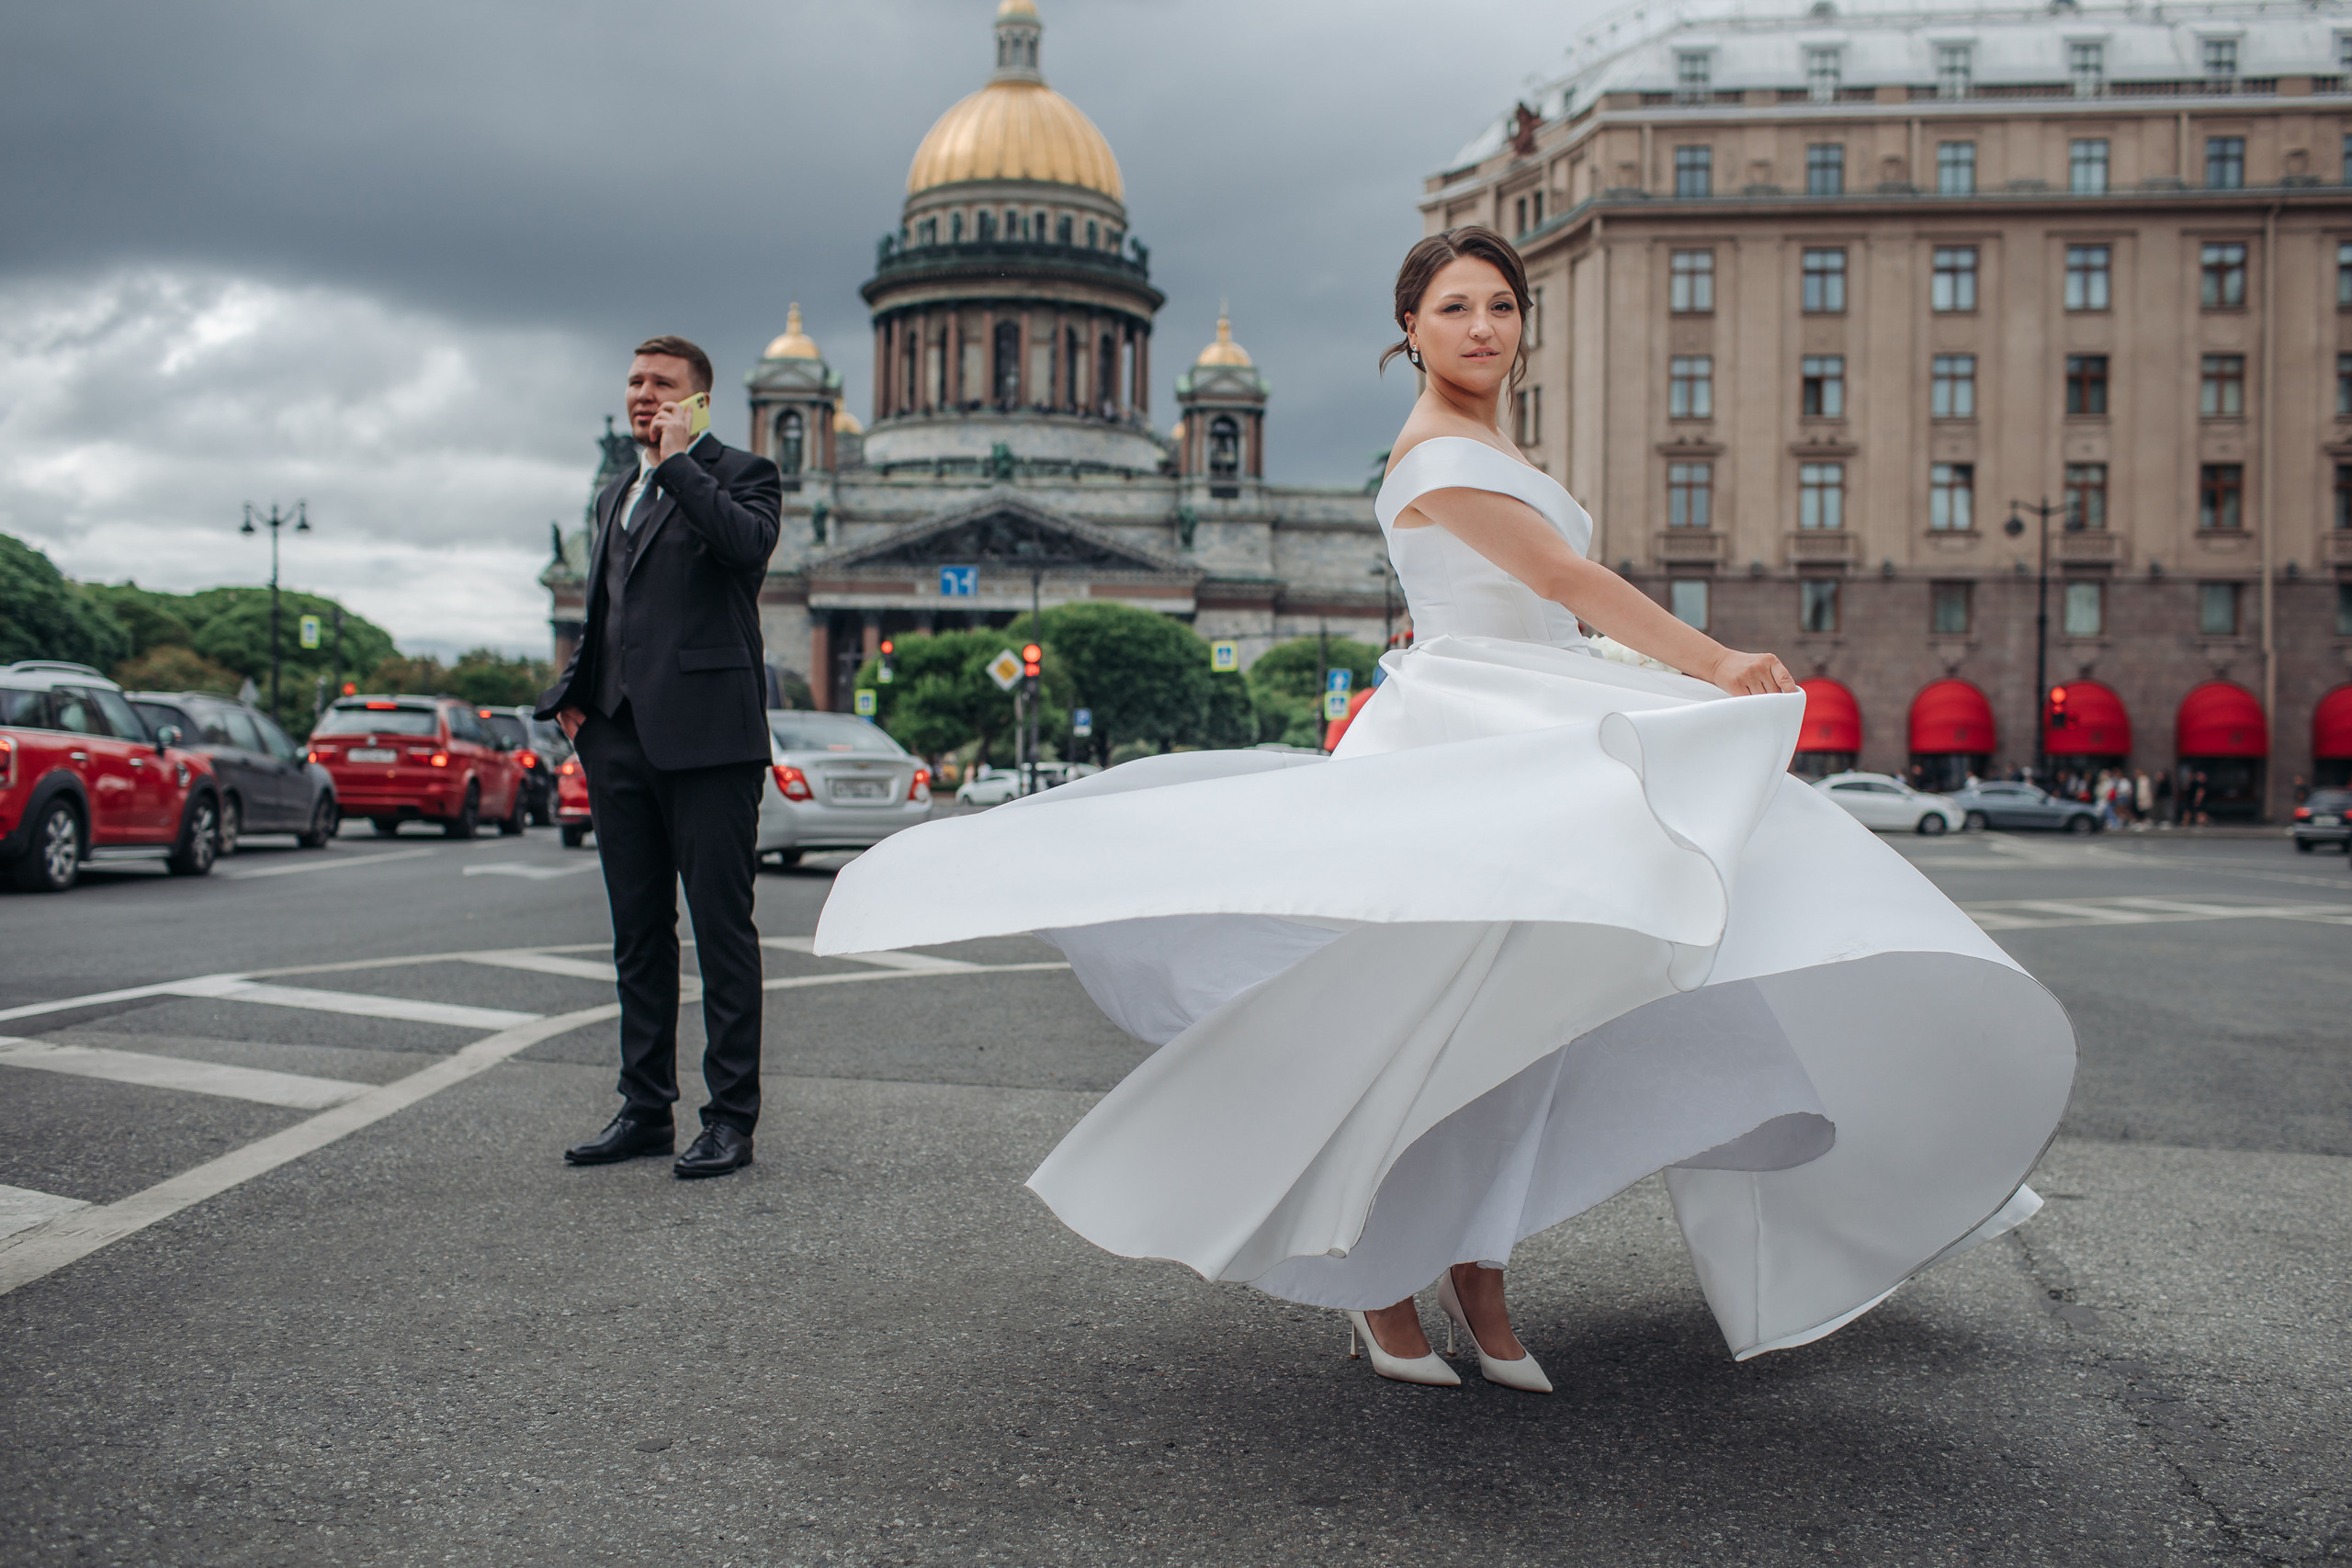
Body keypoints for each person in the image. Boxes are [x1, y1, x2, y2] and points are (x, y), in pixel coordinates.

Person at [812, 228, 2074, 1391]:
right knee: (1430, 1021)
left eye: (1502, 305)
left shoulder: (1496, 451)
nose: (1483, 325)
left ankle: (1479, 1263)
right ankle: (1376, 1272)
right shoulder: (1431, 453)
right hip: (1474, 743)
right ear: (1408, 327)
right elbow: (1560, 573)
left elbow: (1546, 596)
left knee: (1543, 1026)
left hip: (1533, 721)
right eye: (1453, 306)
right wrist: (1711, 662)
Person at [539, 336, 783, 1179]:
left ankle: (730, 1119)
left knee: (721, 933)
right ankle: (645, 1107)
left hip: (711, 742)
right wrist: (575, 696)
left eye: (663, 384)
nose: (644, 394)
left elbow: (744, 550)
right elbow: (607, 612)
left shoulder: (742, 475)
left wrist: (681, 463)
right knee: (638, 934)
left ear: (698, 400)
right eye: (635, 381)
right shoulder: (617, 493)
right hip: (617, 739)